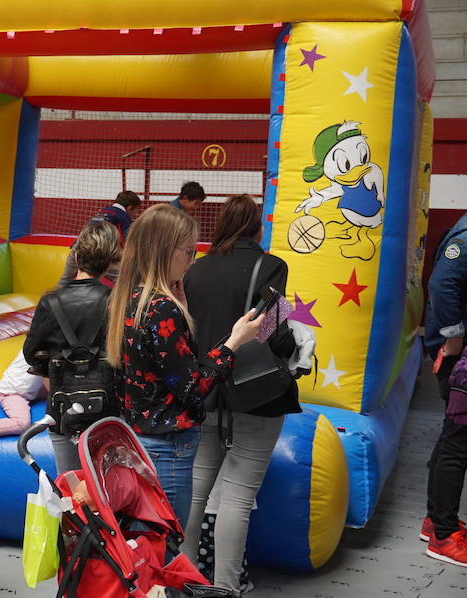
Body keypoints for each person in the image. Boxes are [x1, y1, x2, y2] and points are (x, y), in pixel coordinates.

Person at [105, 203, 262, 530]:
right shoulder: (162, 308)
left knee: (147, 542)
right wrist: (234, 342)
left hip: (139, 438)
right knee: (164, 543)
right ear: (163, 251)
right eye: (188, 252)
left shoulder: (131, 299)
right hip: (168, 446)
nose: (192, 261)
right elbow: (193, 387)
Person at [180, 194, 299, 593]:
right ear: (256, 227)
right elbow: (276, 331)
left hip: (207, 390)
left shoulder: (195, 270)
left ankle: (183, 577)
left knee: (196, 493)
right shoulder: (271, 266)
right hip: (256, 395)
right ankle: (226, 587)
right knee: (236, 498)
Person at [24, 219, 122, 473]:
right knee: (106, 486)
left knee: (69, 486)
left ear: (76, 256)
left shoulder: (51, 301)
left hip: (62, 407)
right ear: (111, 261)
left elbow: (30, 353)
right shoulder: (117, 302)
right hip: (107, 407)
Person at [422, 209, 467, 567]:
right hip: (461, 356)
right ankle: (443, 534)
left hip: (460, 352)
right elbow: (442, 284)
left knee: (451, 437)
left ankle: (438, 521)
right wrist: (452, 339)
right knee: (459, 442)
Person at [58, 190, 141, 285]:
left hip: (78, 248)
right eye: (136, 211)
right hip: (100, 252)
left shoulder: (103, 211)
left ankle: (54, 296)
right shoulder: (124, 216)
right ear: (130, 208)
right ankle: (130, 298)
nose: (136, 214)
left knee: (64, 280)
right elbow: (128, 240)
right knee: (124, 279)